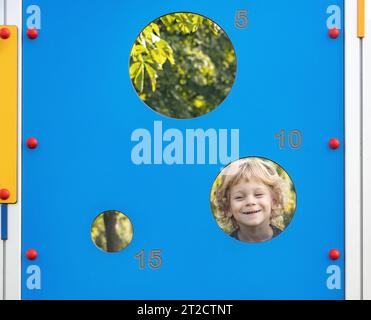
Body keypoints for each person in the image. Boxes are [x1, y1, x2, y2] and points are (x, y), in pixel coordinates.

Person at [214, 157, 290, 243]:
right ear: (227, 208)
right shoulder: (223, 247)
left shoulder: (289, 243)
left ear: (274, 201)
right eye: (239, 197)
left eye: (258, 194)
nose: (250, 202)